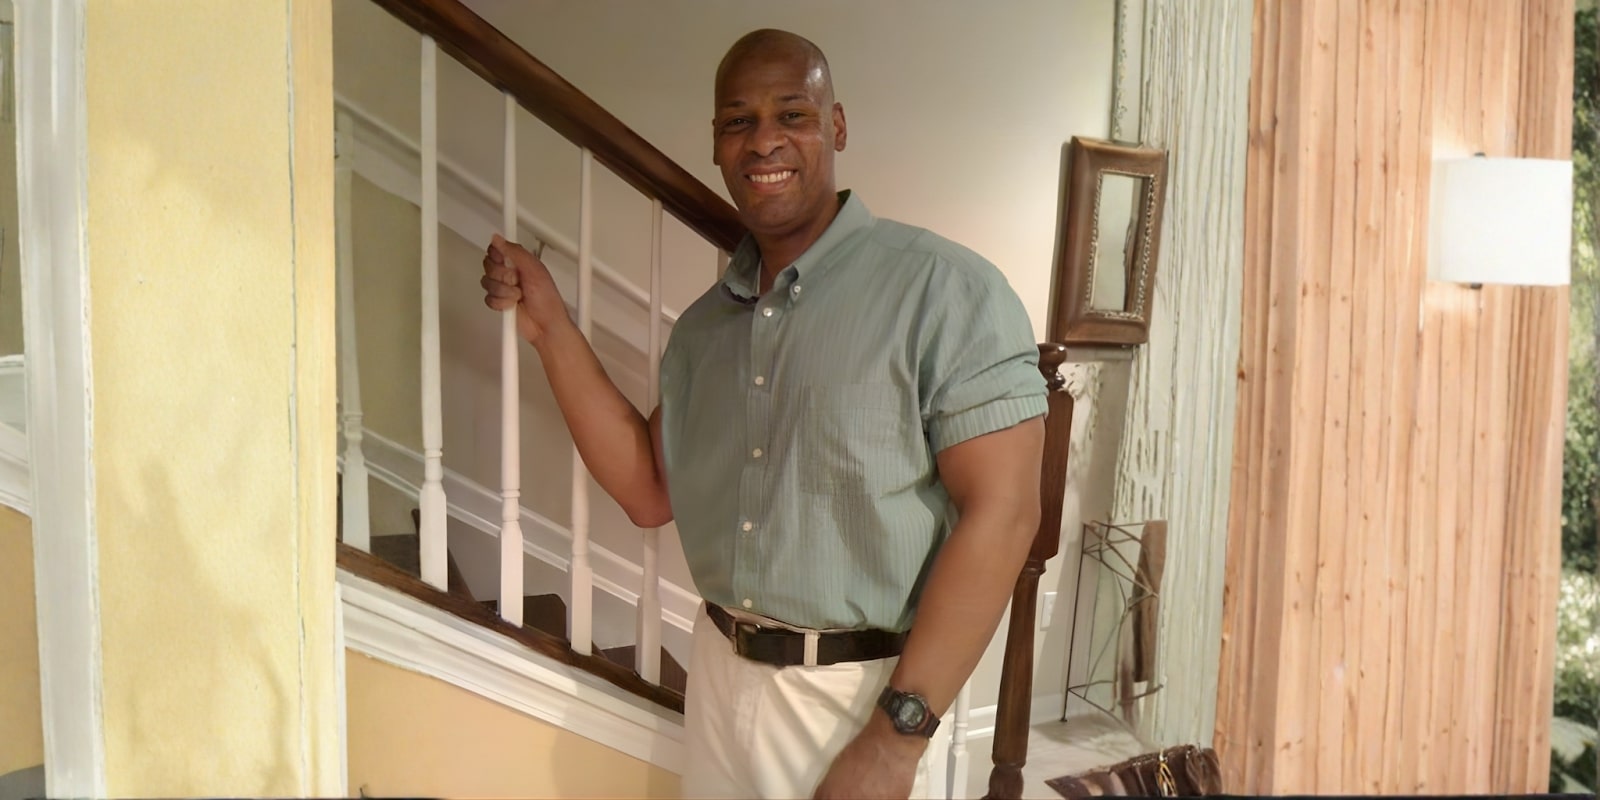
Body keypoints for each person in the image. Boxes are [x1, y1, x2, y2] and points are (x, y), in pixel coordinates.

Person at [480, 28, 1046, 800]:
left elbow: (1006, 514)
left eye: (792, 113)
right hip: (720, 673)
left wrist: (893, 741)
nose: (764, 141)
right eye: (738, 120)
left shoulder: (946, 293)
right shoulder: (706, 329)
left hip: (862, 694)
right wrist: (549, 325)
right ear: (716, 144)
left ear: (836, 126)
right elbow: (649, 488)